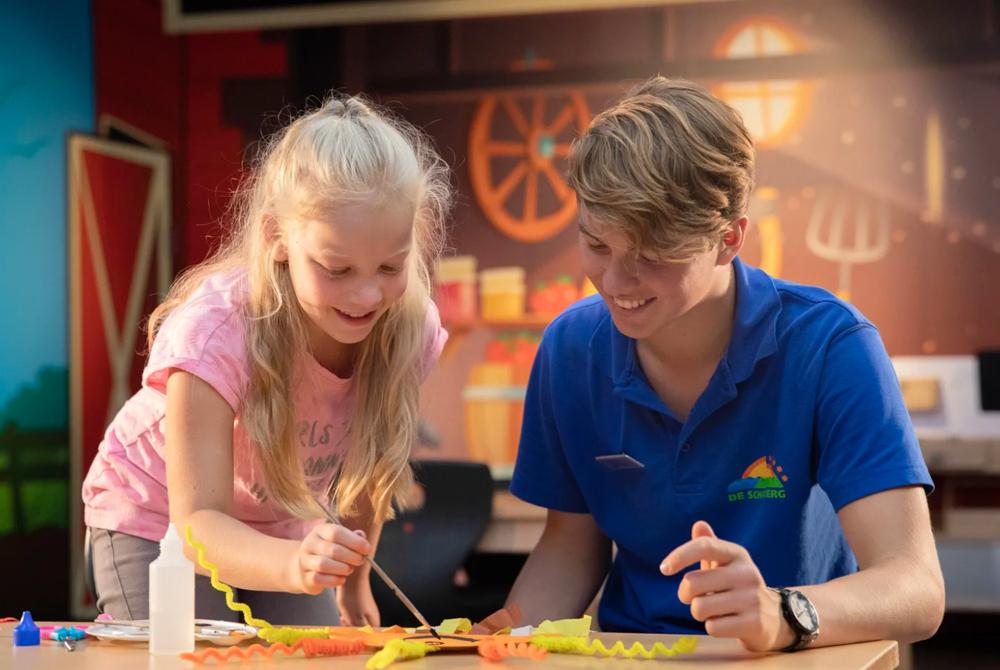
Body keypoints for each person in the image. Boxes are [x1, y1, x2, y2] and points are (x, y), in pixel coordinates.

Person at [505, 77, 944, 651]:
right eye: (596, 244)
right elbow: (569, 548)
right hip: (636, 655)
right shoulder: (568, 349)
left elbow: (916, 588)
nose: (615, 283)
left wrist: (782, 612)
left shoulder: (832, 345)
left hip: (793, 656)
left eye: (653, 256)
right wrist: (509, 636)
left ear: (729, 238)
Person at [82, 94, 452, 626]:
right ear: (277, 238)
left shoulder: (408, 327)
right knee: (189, 657)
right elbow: (199, 522)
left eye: (391, 266)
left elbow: (369, 463)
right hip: (160, 523)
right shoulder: (215, 333)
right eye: (337, 268)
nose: (368, 296)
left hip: (281, 525)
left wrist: (352, 583)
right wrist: (295, 564)